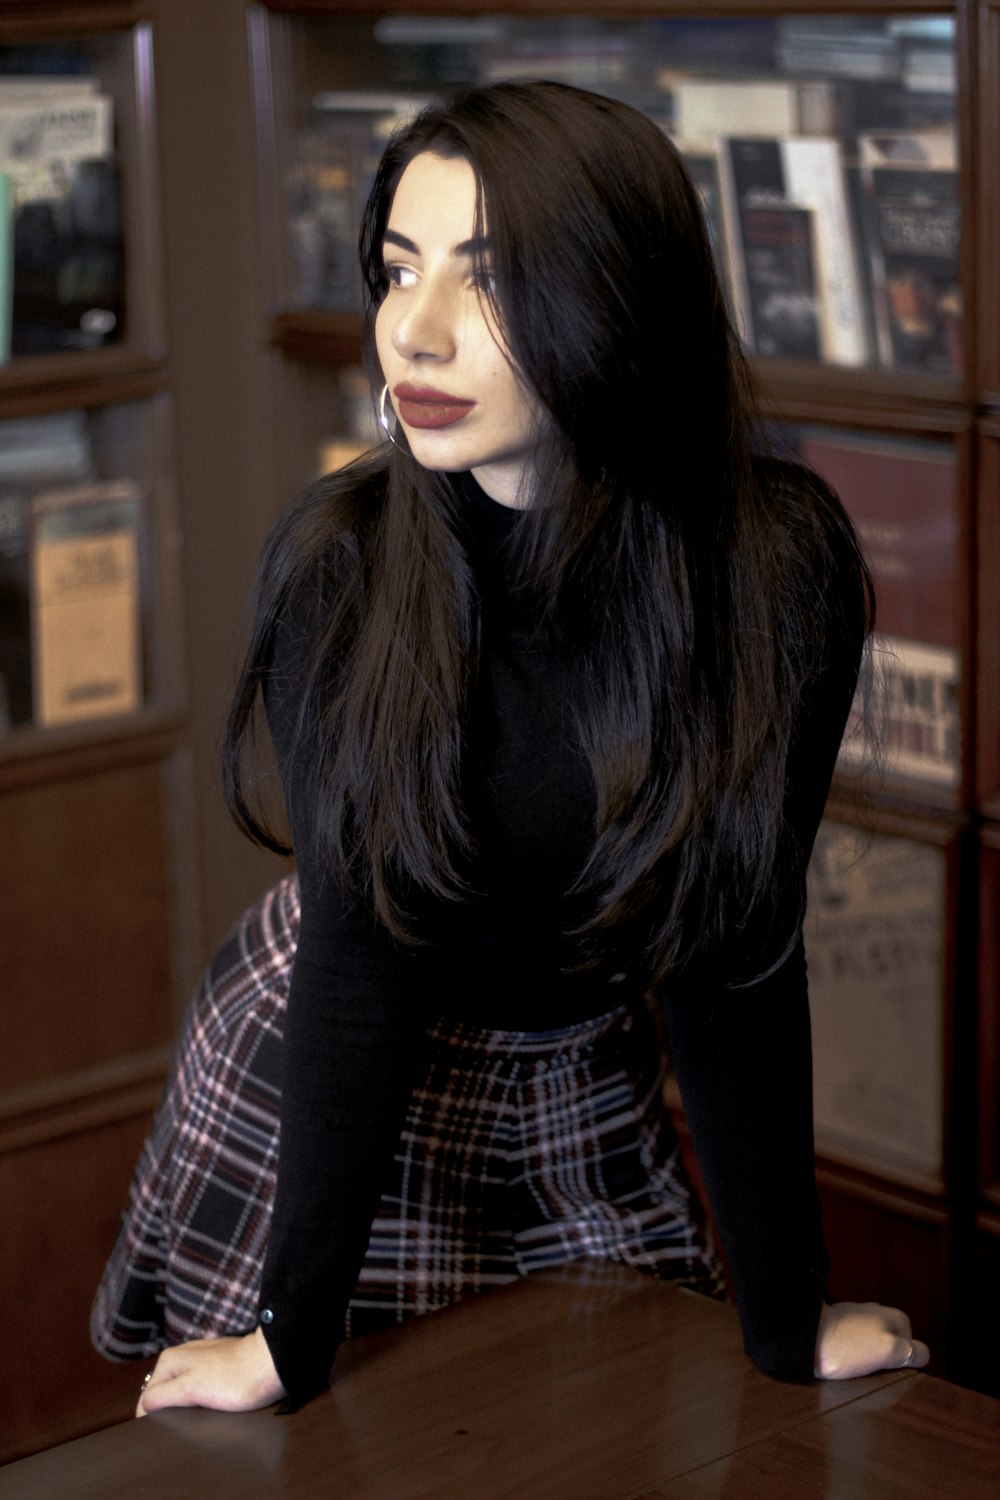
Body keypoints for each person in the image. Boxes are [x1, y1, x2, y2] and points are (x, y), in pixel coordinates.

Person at [99, 79, 929, 1417]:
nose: (411, 336)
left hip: (583, 1059)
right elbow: (360, 962)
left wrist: (789, 1317)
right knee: (340, 1445)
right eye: (395, 271)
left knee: (612, 1424)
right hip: (339, 1045)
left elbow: (735, 945)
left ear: (621, 302)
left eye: (485, 285)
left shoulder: (778, 565)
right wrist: (283, 1341)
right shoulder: (342, 566)